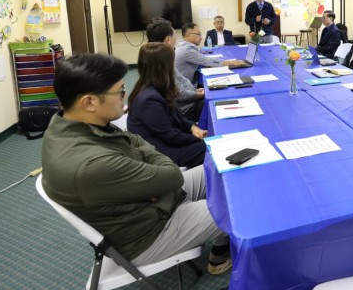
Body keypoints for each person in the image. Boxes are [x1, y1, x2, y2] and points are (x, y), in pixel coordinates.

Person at [40, 53, 231, 274]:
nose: (124, 97)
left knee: (220, 167)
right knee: (240, 206)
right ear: (89, 102)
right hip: (151, 233)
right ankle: (221, 254)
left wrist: (150, 177)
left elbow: (136, 140)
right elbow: (172, 176)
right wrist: (153, 175)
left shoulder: (70, 123)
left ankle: (221, 245)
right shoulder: (91, 164)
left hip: (150, 203)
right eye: (120, 91)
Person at [127, 42, 208, 168]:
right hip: (162, 152)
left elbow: (177, 116)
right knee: (212, 149)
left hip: (168, 142)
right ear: (164, 66)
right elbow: (171, 136)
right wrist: (199, 139)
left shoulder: (156, 87)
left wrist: (192, 127)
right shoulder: (149, 99)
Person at [146, 19, 203, 121]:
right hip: (180, 110)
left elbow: (182, 80)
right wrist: (199, 94)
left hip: (179, 105)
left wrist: (195, 91)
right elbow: (181, 95)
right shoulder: (161, 62)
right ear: (168, 39)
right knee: (211, 103)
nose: (176, 39)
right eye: (174, 35)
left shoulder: (155, 56)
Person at [175, 22, 243, 80]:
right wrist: (231, 62)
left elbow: (198, 53)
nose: (201, 38)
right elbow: (206, 61)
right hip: (187, 87)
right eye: (198, 34)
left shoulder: (183, 45)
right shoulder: (187, 50)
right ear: (188, 35)